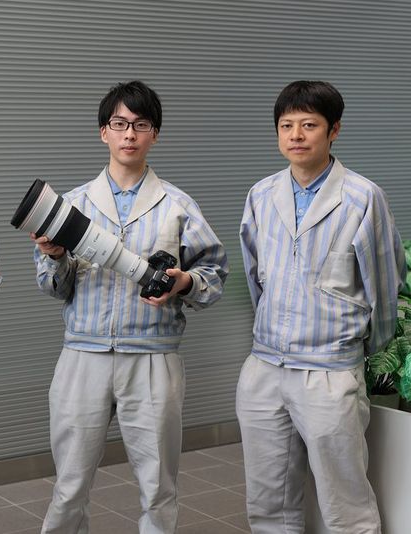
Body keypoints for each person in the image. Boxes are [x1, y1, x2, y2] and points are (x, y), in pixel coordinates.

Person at [31, 80, 228, 534]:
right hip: (83, 356)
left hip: (153, 357)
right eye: (119, 124)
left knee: (158, 485)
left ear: (154, 134)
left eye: (140, 125)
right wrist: (56, 256)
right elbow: (52, 286)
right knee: (69, 484)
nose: (129, 135)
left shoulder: (178, 206)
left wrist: (183, 282)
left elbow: (213, 276)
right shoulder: (72, 205)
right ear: (104, 132)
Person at [237, 80, 406, 534]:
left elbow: (386, 287)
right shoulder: (260, 195)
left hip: (329, 371)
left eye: (309, 124)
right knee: (268, 500)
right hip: (265, 367)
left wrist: (352, 347)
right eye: (286, 125)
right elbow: (257, 279)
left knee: (344, 502)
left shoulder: (362, 197)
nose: (296, 134)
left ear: (334, 131)